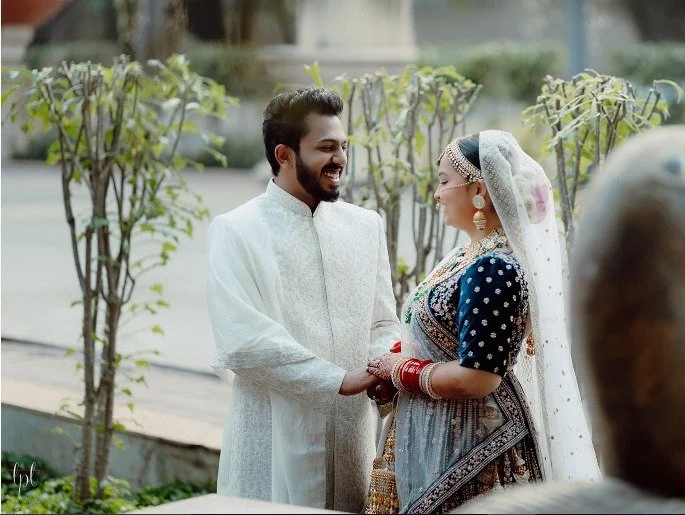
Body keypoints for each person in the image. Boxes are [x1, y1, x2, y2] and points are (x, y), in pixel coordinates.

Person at [366, 130, 601, 513]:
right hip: (442, 432)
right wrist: (390, 368)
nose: (437, 194)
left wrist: (401, 371)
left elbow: (479, 377)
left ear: (479, 190)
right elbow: (437, 336)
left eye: (444, 182)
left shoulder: (495, 267)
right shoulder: (468, 256)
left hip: (473, 449)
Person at [205, 87, 401, 511]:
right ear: (284, 155)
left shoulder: (365, 226)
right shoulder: (236, 230)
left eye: (343, 146)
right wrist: (337, 380)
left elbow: (383, 322)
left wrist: (382, 369)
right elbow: (243, 341)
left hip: (352, 438)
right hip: (271, 435)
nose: (341, 159)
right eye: (326, 148)